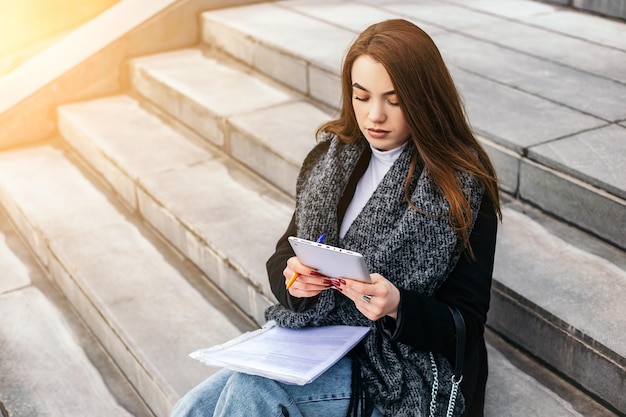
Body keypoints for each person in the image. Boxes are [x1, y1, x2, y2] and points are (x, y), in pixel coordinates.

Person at [171, 18, 500, 417]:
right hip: (318, 340)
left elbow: (465, 321)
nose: (375, 115)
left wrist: (398, 306)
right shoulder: (332, 158)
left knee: (251, 393)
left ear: (424, 98)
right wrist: (295, 281)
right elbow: (283, 256)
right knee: (193, 408)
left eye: (394, 100)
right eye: (362, 97)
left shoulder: (460, 184)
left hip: (399, 364)